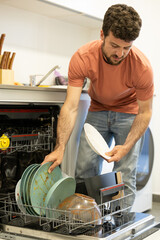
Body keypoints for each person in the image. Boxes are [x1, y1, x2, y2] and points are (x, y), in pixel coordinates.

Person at [42, 4, 154, 204]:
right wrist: (60, 148)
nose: (120, 54)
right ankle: (84, 221)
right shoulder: (83, 57)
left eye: (126, 47)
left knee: (125, 175)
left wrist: (127, 146)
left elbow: (145, 112)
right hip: (98, 109)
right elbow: (71, 106)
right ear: (102, 34)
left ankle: (121, 228)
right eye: (114, 45)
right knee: (84, 169)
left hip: (129, 113)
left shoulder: (142, 67)